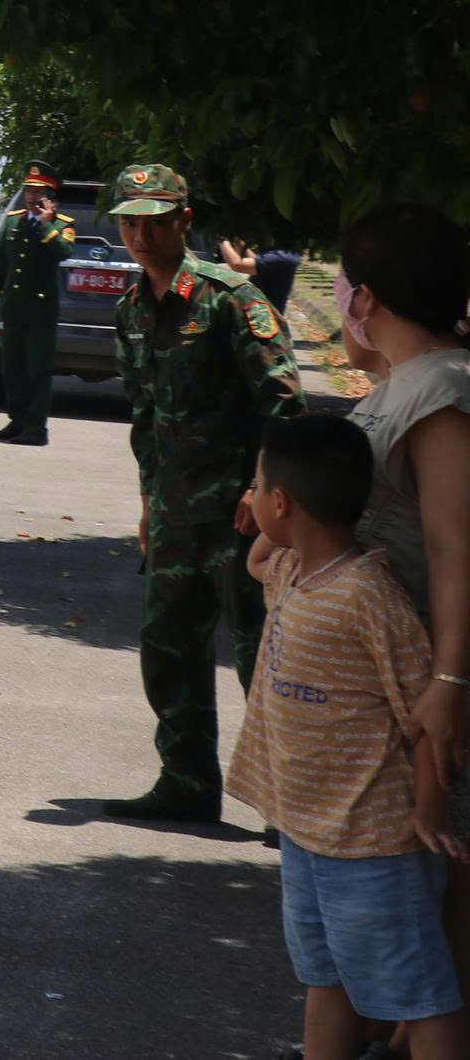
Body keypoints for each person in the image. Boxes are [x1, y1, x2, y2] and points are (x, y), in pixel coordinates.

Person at [227, 413, 468, 1060]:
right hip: (308, 833)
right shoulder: (291, 571)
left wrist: (427, 811)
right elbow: (257, 557)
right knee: (324, 975)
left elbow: (424, 714)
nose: (249, 493)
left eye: (257, 483)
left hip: (372, 845)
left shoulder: (368, 593)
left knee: (421, 997)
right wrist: (258, 517)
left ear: (283, 500)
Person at [102, 162, 309, 822]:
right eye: (130, 221)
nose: (140, 234)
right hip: (173, 514)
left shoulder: (231, 299)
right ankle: (187, 781)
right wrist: (146, 502)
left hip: (242, 516)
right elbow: (145, 417)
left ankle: (289, 806)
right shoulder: (130, 310)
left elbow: (284, 401)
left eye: (154, 221)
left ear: (183, 221)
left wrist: (264, 488)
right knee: (167, 647)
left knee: (259, 659)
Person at [342, 205, 470, 981]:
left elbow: (457, 546)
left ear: (365, 299)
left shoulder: (443, 389)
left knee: (444, 861)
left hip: (432, 677)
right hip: (395, 680)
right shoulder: (411, 381)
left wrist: (450, 683)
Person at [0, 162, 78, 446]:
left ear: (50, 196)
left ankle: (36, 428)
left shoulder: (62, 226)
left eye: (39, 191)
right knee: (13, 368)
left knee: (37, 368)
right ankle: (17, 421)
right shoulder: (13, 220)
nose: (32, 196)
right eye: (28, 190)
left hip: (41, 311)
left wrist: (46, 225)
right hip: (14, 308)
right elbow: (1, 268)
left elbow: (63, 251)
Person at [223, 238, 304, 321]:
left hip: (263, 318)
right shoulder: (285, 254)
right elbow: (258, 261)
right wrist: (240, 244)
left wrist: (223, 240)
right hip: (262, 313)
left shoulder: (281, 257)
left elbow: (237, 265)